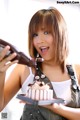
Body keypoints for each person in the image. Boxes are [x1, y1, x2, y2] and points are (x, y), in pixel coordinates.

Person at [0, 7, 80, 120]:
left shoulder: (77, 71)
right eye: (35, 35)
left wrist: (56, 108)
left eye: (46, 32)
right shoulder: (24, 69)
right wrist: (1, 73)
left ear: (61, 34)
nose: (39, 41)